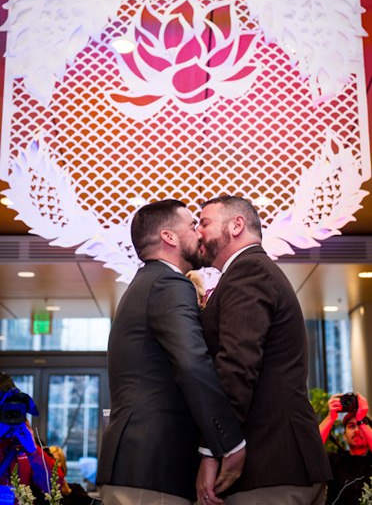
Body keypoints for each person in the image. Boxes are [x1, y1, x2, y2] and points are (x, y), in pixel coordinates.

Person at [96, 199, 245, 505]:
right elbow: (193, 364)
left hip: (138, 465)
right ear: (170, 237)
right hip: (152, 466)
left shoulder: (146, 283)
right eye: (193, 226)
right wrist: (229, 442)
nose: (200, 234)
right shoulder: (168, 283)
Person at [196, 195, 332, 505]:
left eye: (204, 223)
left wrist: (214, 450)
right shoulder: (252, 271)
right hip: (283, 466)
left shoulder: (247, 271)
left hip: (269, 467)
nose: (198, 231)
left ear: (236, 225)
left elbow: (236, 367)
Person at [0, 373, 64, 504]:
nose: (11, 414)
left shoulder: (24, 446)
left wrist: (33, 450)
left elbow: (54, 488)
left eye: (15, 408)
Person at [319, 392, 372, 504]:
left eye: (361, 425)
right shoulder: (334, 460)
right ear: (344, 435)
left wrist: (361, 420)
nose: (357, 430)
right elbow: (310, 447)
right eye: (352, 426)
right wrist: (330, 417)